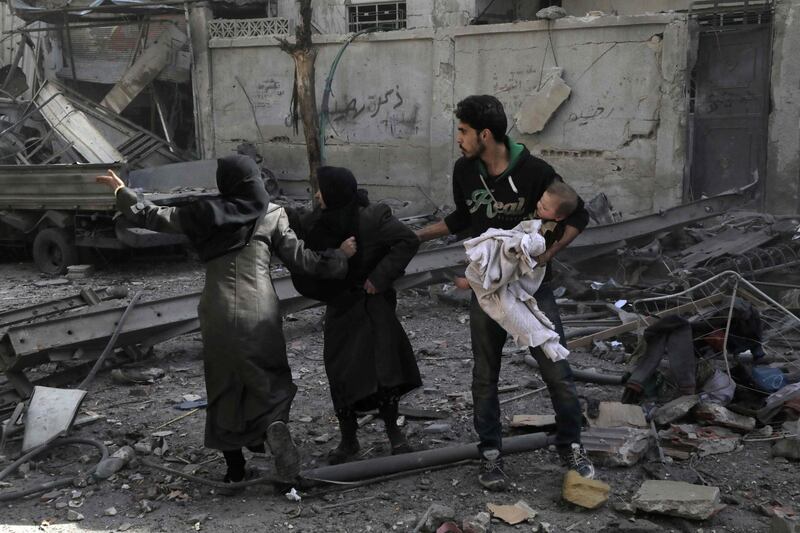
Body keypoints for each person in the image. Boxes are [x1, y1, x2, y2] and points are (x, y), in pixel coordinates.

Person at [96, 156, 356, 484]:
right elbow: (303, 260)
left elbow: (153, 216)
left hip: (216, 308)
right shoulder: (272, 214)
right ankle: (272, 428)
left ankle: (234, 470)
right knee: (269, 378)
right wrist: (338, 258)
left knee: (223, 385)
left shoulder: (205, 214)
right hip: (258, 308)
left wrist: (122, 192)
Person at [415, 95, 595, 490]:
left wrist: (547, 254)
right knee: (485, 376)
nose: (458, 139)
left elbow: (578, 214)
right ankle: (491, 454)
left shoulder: (535, 171)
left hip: (533, 293)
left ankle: (572, 444)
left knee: (557, 370)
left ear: (484, 134)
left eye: (462, 131)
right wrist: (418, 236)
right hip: (489, 294)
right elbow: (463, 218)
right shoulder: (464, 171)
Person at [289, 166, 422, 464]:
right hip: (340, 307)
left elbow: (407, 241)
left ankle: (394, 434)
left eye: (322, 189)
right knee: (340, 371)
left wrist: (379, 277)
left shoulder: (372, 217)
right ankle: (348, 439)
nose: (317, 194)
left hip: (372, 306)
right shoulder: (318, 222)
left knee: (384, 370)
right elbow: (305, 250)